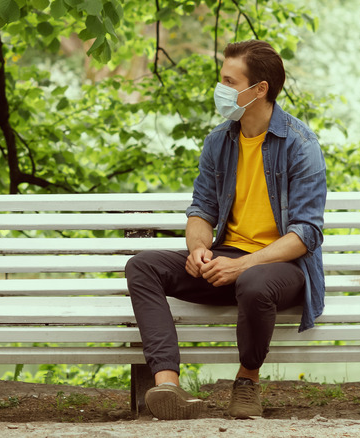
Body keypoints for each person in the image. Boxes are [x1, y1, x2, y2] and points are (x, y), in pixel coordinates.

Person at [125, 40, 326, 420]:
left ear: (259, 89)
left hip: (282, 268)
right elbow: (202, 209)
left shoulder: (301, 145)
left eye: (229, 81)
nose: (220, 89)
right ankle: (167, 385)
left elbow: (306, 234)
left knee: (253, 282)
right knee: (143, 266)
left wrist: (244, 266)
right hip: (227, 258)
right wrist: (199, 249)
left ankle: (247, 383)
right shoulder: (220, 140)